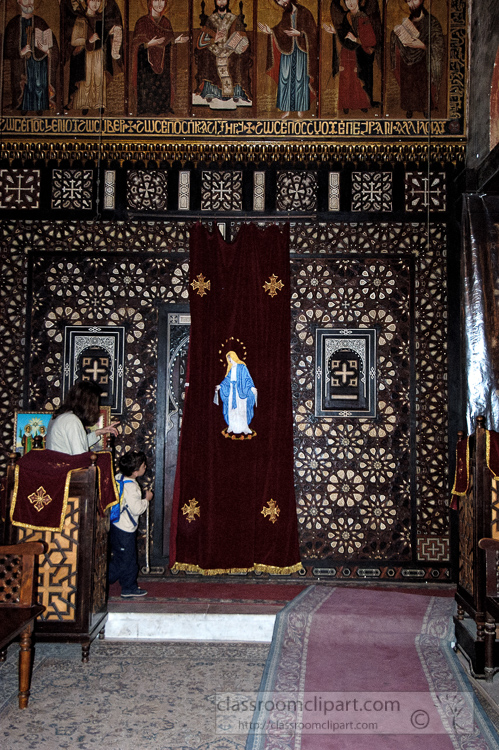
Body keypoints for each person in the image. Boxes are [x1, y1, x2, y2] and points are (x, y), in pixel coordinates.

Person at [258, 0, 317, 119]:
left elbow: (313, 33)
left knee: (300, 79)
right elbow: (280, 31)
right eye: (278, 1)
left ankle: (301, 108)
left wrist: (300, 34)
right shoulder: (286, 15)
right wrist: (270, 31)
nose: (281, 2)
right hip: (287, 51)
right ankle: (287, 109)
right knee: (285, 79)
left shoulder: (305, 12)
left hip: (301, 51)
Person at [108, 450, 153, 598]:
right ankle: (127, 587)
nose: (145, 467)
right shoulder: (132, 487)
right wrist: (146, 499)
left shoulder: (118, 477)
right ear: (135, 471)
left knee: (121, 557)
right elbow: (137, 509)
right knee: (127, 561)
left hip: (115, 524)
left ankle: (107, 579)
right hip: (125, 528)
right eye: (142, 465)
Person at [131, 0, 188, 116]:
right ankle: (145, 108)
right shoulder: (142, 22)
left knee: (163, 84)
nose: (159, 4)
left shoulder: (166, 22)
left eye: (162, 0)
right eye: (156, 0)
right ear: (150, 3)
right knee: (147, 86)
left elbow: (167, 41)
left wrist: (176, 41)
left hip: (163, 62)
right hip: (145, 63)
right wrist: (148, 44)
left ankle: (164, 107)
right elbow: (135, 45)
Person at [193, 0, 252, 111]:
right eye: (219, 0)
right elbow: (200, 42)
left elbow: (243, 37)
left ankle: (236, 93)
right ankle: (210, 92)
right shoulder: (211, 19)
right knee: (208, 59)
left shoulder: (234, 18)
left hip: (230, 50)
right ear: (215, 2)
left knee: (235, 60)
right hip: (214, 49)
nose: (221, 2)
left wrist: (243, 45)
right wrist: (214, 39)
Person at [323, 0, 381, 113]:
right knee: (346, 78)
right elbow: (344, 34)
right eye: (347, 0)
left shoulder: (363, 17)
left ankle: (362, 103)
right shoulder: (346, 17)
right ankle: (346, 104)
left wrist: (356, 40)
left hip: (361, 55)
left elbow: (371, 40)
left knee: (357, 80)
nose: (350, 3)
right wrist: (335, 31)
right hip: (347, 53)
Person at [390, 0, 444, 118]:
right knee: (408, 85)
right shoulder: (406, 23)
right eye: (409, 1)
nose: (412, 4)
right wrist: (396, 35)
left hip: (423, 62)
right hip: (407, 63)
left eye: (415, 0)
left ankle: (425, 108)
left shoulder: (432, 23)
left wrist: (423, 46)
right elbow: (399, 41)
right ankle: (410, 108)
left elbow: (438, 45)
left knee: (423, 85)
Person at [4, 0, 59, 115]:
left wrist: (47, 50)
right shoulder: (13, 24)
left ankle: (40, 108)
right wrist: (20, 51)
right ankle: (23, 107)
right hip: (22, 67)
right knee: (25, 88)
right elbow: (7, 49)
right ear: (19, 1)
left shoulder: (40, 22)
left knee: (39, 86)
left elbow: (53, 47)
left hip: (40, 67)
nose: (29, 2)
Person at [68, 0, 122, 114]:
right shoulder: (81, 20)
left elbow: (105, 37)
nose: (96, 4)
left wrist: (111, 32)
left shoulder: (101, 19)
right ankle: (84, 104)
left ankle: (99, 103)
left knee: (99, 78)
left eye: (98, 1)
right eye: (93, 0)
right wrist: (88, 40)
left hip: (99, 55)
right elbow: (74, 41)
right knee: (86, 81)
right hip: (85, 56)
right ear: (87, 2)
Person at [46, 380, 119, 455]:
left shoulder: (61, 415)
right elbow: (80, 456)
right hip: (65, 466)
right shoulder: (71, 420)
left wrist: (98, 432)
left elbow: (77, 443)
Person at [214, 350, 257, 436]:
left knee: (242, 409)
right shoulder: (230, 369)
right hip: (231, 392)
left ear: (235, 357)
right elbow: (226, 381)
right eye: (229, 360)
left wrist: (251, 387)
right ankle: (232, 426)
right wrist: (221, 386)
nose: (230, 361)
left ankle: (244, 427)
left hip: (240, 392)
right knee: (231, 409)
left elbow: (247, 378)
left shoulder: (242, 367)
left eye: (231, 359)